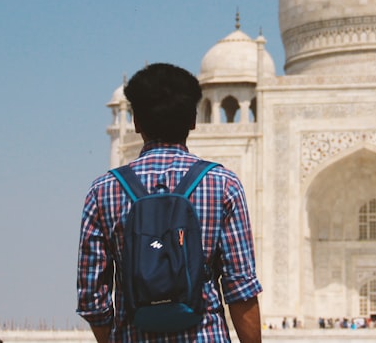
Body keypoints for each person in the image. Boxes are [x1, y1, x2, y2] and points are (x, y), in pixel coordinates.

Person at [77, 63, 262, 343]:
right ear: (193, 120)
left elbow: (92, 298)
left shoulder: (104, 190)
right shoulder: (223, 184)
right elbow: (241, 290)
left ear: (136, 122)